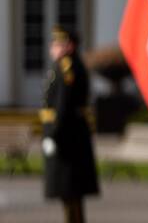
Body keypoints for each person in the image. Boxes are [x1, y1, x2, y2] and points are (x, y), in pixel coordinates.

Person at [41, 24, 99, 223]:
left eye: (59, 43)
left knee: (70, 191)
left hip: (67, 139)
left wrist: (53, 135)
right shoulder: (67, 66)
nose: (53, 46)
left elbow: (63, 107)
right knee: (70, 193)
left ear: (69, 46)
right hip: (70, 137)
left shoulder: (67, 69)